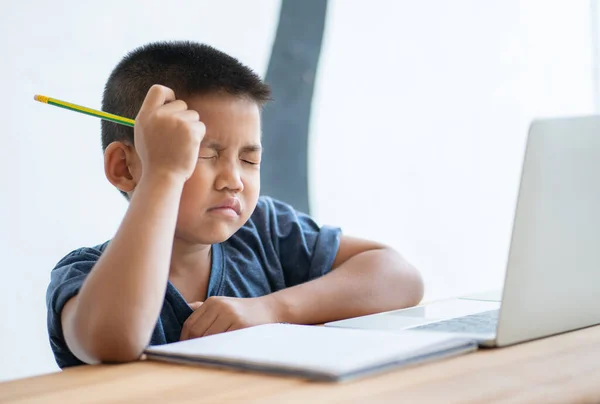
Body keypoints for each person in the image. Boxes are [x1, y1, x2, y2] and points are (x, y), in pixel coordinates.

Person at [46, 41, 424, 368]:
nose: (234, 180)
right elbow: (114, 341)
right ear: (124, 168)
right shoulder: (83, 275)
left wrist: (271, 310)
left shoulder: (266, 232)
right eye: (198, 154)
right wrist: (164, 174)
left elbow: (401, 278)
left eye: (248, 159)